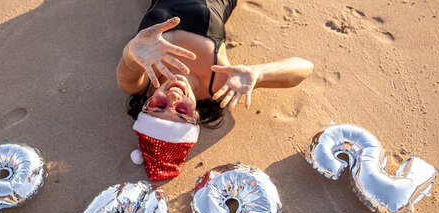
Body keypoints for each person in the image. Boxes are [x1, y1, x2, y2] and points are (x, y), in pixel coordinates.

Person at [117, 0, 314, 181]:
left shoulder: (139, 81)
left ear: (146, 105)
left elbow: (130, 57)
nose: (174, 98)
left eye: (160, 106)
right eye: (181, 112)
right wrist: (257, 73)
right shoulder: (219, 84)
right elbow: (305, 67)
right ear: (194, 116)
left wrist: (132, 50)